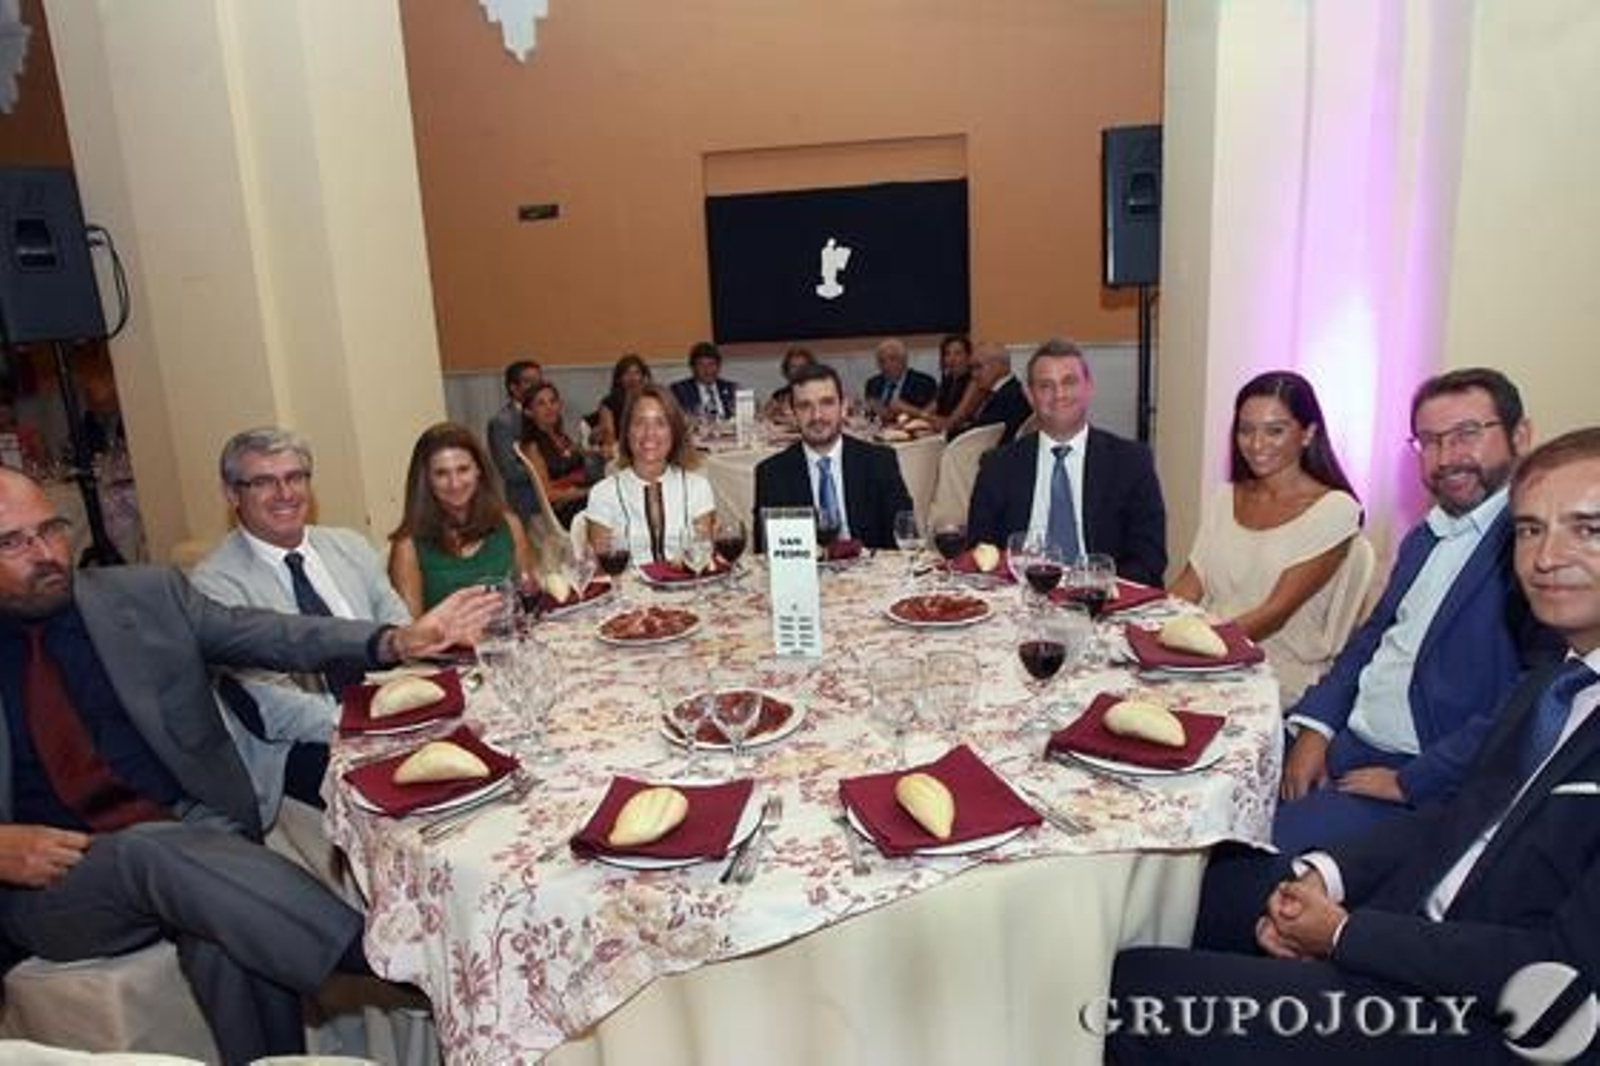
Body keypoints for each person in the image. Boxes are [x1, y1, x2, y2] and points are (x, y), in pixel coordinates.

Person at [1108, 426, 1600, 1065]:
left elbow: (1563, 970)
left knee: (1128, 991)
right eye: (1531, 529)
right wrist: (1324, 875)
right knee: (1173, 887)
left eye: (1588, 529)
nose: (1546, 556)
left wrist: (1343, 935)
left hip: (1487, 1023)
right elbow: (1454, 820)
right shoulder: (1554, 683)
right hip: (1414, 927)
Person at [0, 466, 496, 1065]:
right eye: (13, 542)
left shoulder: (140, 595)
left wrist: (394, 641)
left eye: (50, 529)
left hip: (191, 836)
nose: (45, 554)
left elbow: (270, 634)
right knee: (148, 849)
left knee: (223, 936)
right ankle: (389, 961)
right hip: (55, 878)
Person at [1272, 367, 1557, 854]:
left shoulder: (1533, 549)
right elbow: (1370, 640)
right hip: (1346, 739)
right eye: (1429, 441)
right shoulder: (1426, 536)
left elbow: (1536, 697)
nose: (1445, 458)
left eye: (1467, 434)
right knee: (1195, 790)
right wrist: (1317, 728)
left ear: (1520, 436)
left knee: (1236, 868)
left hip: (1413, 772)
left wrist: (1416, 780)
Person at [191, 427, 412, 825]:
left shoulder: (349, 546)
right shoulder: (215, 585)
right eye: (263, 482)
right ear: (232, 494)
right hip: (298, 744)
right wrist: (368, 727)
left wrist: (408, 708)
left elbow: (399, 628)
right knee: (402, 795)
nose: (285, 493)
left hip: (385, 712)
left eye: (295, 477)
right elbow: (271, 706)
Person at [1169, 371, 1364, 706]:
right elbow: (1190, 584)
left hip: (1273, 670)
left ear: (1308, 433)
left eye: (1275, 431)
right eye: (1246, 430)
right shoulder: (1225, 496)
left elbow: (1275, 612)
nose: (1257, 444)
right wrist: (1150, 629)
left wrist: (1192, 652)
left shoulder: (1335, 509)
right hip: (1208, 652)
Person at [966, 338, 1167, 587]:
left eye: (1069, 382)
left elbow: (1150, 560)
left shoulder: (1130, 462)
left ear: (1089, 388)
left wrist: (1094, 587)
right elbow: (980, 552)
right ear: (1030, 395)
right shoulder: (998, 466)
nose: (1059, 395)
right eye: (1046, 386)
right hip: (1020, 596)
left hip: (1100, 597)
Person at [753, 363, 913, 551]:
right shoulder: (772, 473)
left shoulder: (879, 462)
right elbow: (769, 553)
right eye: (805, 406)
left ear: (843, 407)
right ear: (793, 414)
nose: (817, 416)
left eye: (826, 403)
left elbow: (903, 537)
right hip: (806, 569)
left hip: (871, 567)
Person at [388, 422, 535, 615]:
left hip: (508, 632)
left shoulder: (509, 524)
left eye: (463, 469)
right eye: (441, 473)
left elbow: (528, 599)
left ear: (478, 470)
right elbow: (410, 630)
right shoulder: (407, 547)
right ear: (426, 480)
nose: (455, 484)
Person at [586, 383, 715, 562]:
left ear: (674, 432)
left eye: (660, 423)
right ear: (627, 432)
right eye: (640, 423)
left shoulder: (697, 487)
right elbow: (602, 566)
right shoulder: (603, 493)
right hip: (626, 581)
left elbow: (702, 558)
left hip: (688, 579)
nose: (649, 433)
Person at [516, 382, 599, 527]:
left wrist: (598, 450)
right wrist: (586, 492)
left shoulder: (559, 436)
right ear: (529, 412)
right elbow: (548, 494)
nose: (549, 407)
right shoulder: (533, 446)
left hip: (581, 496)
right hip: (567, 507)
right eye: (541, 404)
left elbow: (576, 452)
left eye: (553, 401)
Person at [485, 358, 544, 528]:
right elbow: (511, 471)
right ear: (513, 387)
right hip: (529, 502)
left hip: (556, 495)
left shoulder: (546, 412)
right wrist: (545, 469)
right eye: (529, 381)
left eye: (539, 381)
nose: (537, 386)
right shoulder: (502, 422)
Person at [941, 341, 1031, 444]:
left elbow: (978, 434)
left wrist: (942, 437)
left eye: (978, 367)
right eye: (972, 368)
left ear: (998, 366)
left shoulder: (1008, 397)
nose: (974, 374)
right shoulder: (1010, 389)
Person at [592, 353, 652, 452]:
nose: (632, 378)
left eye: (636, 373)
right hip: (619, 451)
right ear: (619, 378)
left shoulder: (651, 400)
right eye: (627, 373)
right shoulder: (609, 402)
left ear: (643, 376)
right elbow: (609, 437)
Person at [864, 338, 937, 417]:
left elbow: (930, 416)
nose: (886, 366)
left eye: (892, 359)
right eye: (882, 361)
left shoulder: (924, 383)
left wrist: (908, 410)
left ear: (904, 361)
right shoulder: (873, 384)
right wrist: (873, 410)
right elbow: (868, 414)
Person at [669, 341, 740, 421]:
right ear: (693, 368)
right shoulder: (679, 391)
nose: (707, 370)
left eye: (712, 364)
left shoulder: (732, 388)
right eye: (701, 365)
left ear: (719, 366)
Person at [763, 345, 818, 420]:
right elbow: (764, 416)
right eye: (793, 367)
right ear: (787, 370)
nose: (798, 370)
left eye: (802, 366)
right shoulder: (779, 396)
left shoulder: (820, 393)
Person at [931, 333, 973, 418]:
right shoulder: (947, 380)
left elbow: (957, 416)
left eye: (958, 353)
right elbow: (933, 406)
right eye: (947, 354)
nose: (952, 359)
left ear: (968, 356)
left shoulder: (973, 380)